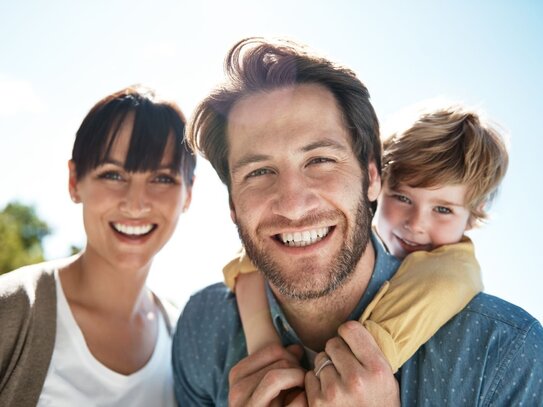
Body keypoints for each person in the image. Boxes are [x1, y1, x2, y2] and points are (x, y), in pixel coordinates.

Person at [172, 37, 543, 406]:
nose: (294, 205)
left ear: (371, 177)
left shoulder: (504, 354)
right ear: (232, 204)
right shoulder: (203, 329)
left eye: (319, 160)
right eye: (260, 171)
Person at [224, 102, 504, 376]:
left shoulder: (453, 273)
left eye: (443, 209)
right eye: (402, 198)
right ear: (376, 184)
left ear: (472, 216)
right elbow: (247, 263)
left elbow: (371, 361)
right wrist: (264, 345)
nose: (416, 223)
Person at [0, 86, 196, 406]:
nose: (136, 204)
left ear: (188, 194)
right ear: (74, 181)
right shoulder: (12, 309)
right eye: (113, 175)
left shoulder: (185, 344)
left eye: (161, 178)